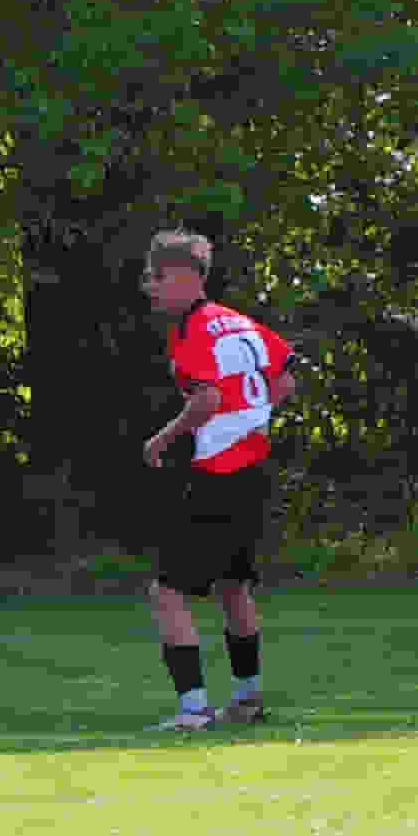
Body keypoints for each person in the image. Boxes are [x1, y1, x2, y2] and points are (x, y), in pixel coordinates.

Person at [139, 230, 292, 730]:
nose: (149, 286)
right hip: (254, 469)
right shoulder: (241, 322)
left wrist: (163, 438)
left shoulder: (194, 329)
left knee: (167, 591)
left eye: (157, 276)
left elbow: (207, 399)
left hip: (217, 473)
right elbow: (284, 379)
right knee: (233, 586)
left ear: (187, 276)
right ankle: (247, 700)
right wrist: (252, 420)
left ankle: (193, 710)